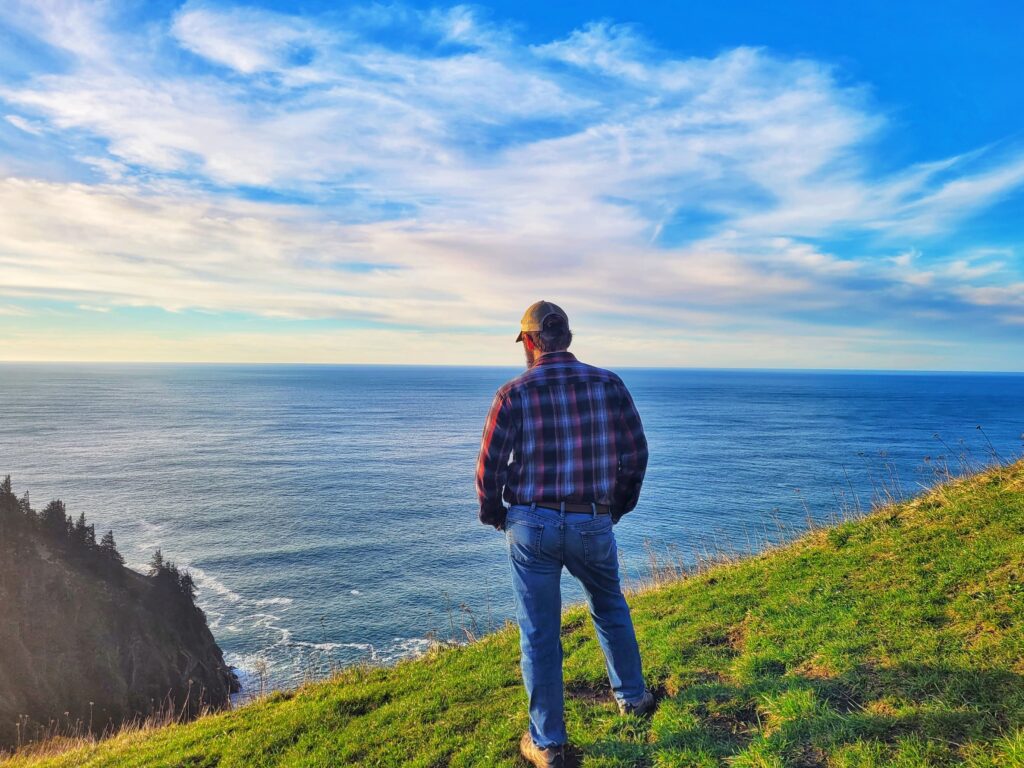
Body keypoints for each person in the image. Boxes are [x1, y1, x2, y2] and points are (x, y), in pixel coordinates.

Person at [475, 300, 655, 768]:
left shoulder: (513, 393)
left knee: (538, 633)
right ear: (568, 338)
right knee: (609, 605)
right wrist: (613, 507)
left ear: (530, 343)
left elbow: (489, 468)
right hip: (591, 518)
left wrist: (496, 515)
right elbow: (635, 454)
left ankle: (549, 743)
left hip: (531, 524)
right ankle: (633, 699)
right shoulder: (608, 384)